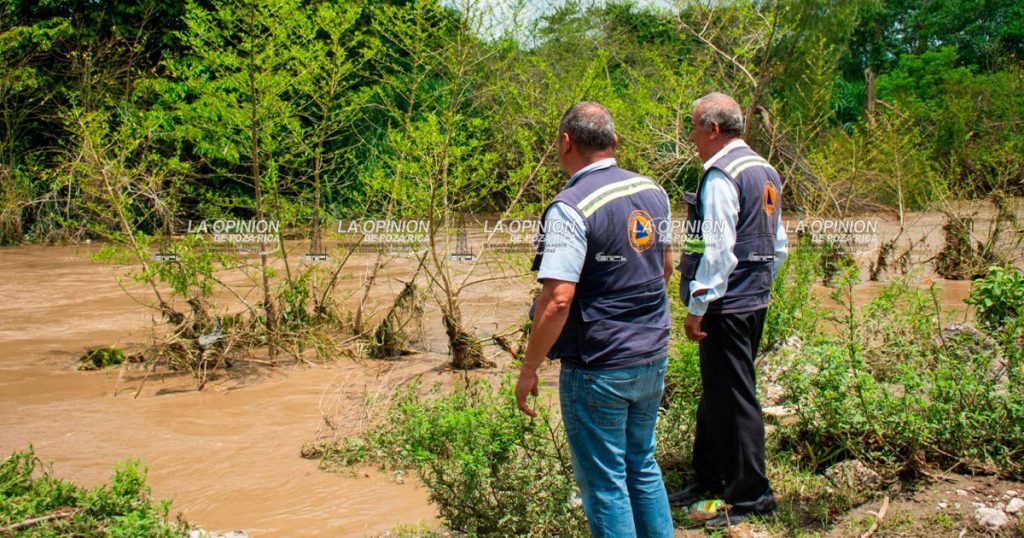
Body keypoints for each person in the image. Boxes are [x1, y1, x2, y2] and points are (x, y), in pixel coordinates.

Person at [514, 101, 674, 538]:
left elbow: (558, 300)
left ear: (566, 142)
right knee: (641, 464)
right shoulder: (653, 191)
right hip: (652, 355)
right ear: (614, 141)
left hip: (599, 366)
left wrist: (528, 369)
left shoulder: (570, 208)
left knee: (605, 486)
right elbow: (665, 269)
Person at [669, 92, 787, 530]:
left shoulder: (721, 175)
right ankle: (708, 476)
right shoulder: (764, 169)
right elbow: (779, 246)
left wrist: (700, 305)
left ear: (714, 129)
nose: (692, 136)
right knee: (719, 390)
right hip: (752, 299)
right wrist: (759, 287)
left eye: (695, 126)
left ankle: (752, 495)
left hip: (726, 305)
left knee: (735, 398)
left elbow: (718, 250)